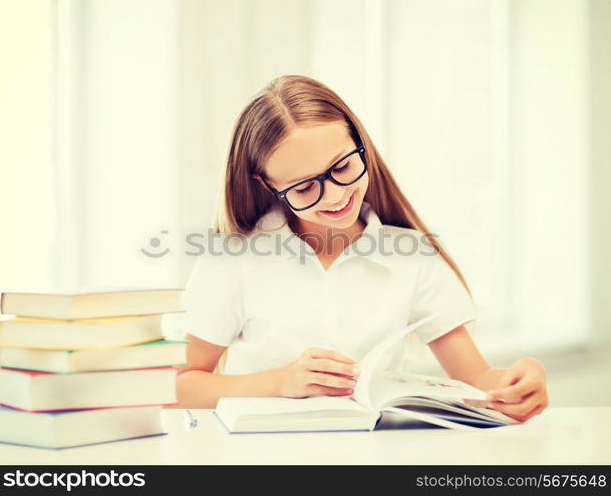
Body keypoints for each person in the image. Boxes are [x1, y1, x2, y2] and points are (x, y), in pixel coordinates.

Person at [175, 75, 548, 422]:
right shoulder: (233, 258)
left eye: (342, 166)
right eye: (304, 188)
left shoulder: (413, 255)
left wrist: (519, 382)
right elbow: (179, 385)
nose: (336, 195)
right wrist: (280, 382)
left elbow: (478, 378)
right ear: (266, 185)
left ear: (361, 144)